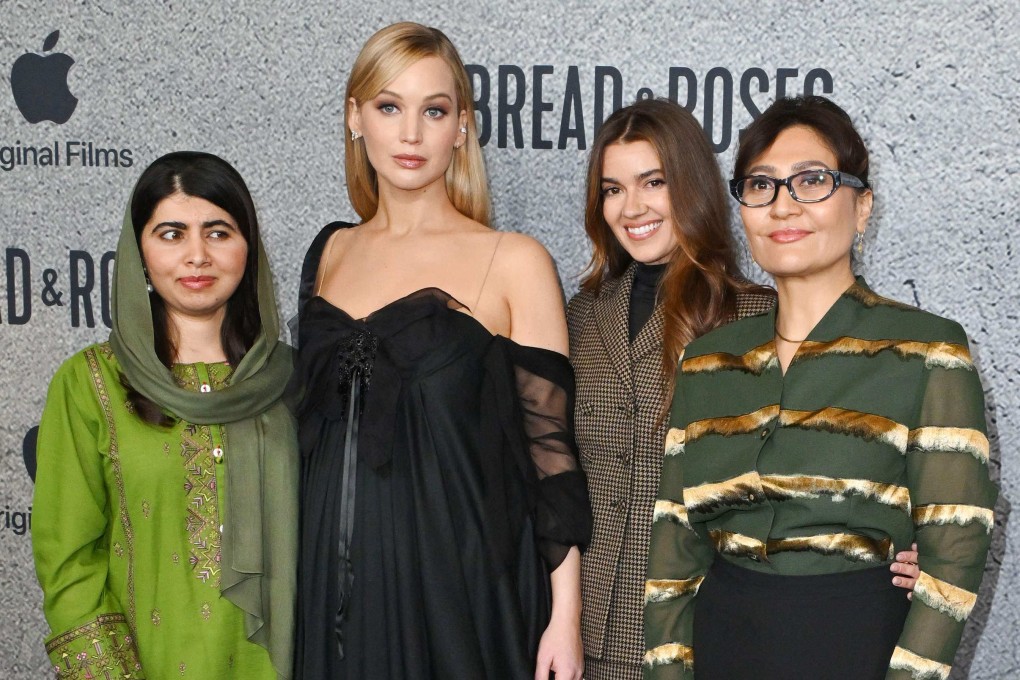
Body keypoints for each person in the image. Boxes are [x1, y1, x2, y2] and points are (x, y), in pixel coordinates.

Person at [643, 95, 997, 680]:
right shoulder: (707, 362)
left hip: (858, 647)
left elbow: (956, 550)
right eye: (761, 186)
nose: (783, 206)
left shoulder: (925, 350)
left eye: (812, 180)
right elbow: (674, 553)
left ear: (863, 208)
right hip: (722, 644)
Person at [569, 98, 920, 680]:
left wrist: (910, 544)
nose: (631, 207)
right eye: (612, 189)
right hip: (582, 626)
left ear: (691, 185)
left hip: (710, 633)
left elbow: (838, 459)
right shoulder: (583, 314)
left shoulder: (758, 316)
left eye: (653, 181)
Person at [286, 22, 591, 679]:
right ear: (355, 118)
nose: (411, 134)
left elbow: (552, 454)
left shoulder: (514, 261)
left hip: (458, 591)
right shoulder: (329, 253)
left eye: (434, 110)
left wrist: (564, 615)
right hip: (329, 593)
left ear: (461, 128)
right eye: (389, 107)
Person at [32, 151, 298, 680]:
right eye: (172, 234)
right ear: (139, 252)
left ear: (249, 247)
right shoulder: (91, 383)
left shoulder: (291, 381)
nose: (197, 256)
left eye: (219, 232)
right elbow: (69, 563)